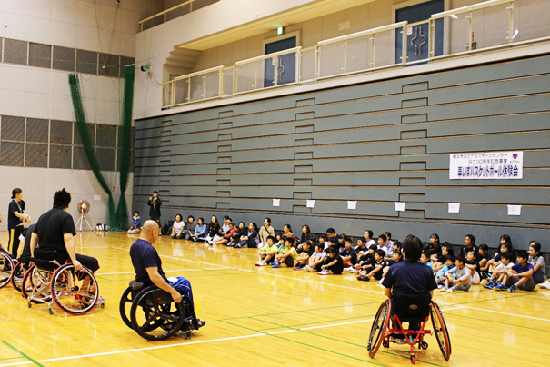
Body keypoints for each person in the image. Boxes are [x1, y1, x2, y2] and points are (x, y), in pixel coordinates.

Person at [129, 220, 205, 330]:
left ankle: (180, 315)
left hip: (143, 281)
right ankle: (188, 320)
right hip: (153, 285)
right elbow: (154, 277)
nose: (158, 235)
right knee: (185, 284)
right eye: (158, 232)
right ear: (154, 231)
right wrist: (173, 291)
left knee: (180, 279)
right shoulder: (148, 249)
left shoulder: (135, 245)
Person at [30, 188, 100, 274]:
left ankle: (61, 281)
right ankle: (86, 287)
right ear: (68, 204)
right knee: (93, 262)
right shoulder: (66, 217)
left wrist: (33, 256)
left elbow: (33, 238)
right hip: (57, 258)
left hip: (41, 258)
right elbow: (68, 240)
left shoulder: (42, 216)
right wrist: (74, 261)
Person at [382, 235, 437, 336]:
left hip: (399, 306)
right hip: (420, 308)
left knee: (393, 302)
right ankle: (414, 330)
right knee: (419, 303)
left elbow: (387, 292)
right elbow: (430, 294)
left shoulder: (395, 268)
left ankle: (397, 329)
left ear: (403, 252)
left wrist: (397, 299)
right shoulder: (428, 270)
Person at [8, 188, 31, 258]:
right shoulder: (12, 204)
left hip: (20, 225)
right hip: (13, 226)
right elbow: (16, 214)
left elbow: (22, 212)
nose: (22, 195)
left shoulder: (22, 202)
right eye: (21, 194)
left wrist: (28, 216)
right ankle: (10, 259)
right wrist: (25, 217)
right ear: (16, 194)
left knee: (18, 242)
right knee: (12, 243)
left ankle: (17, 258)